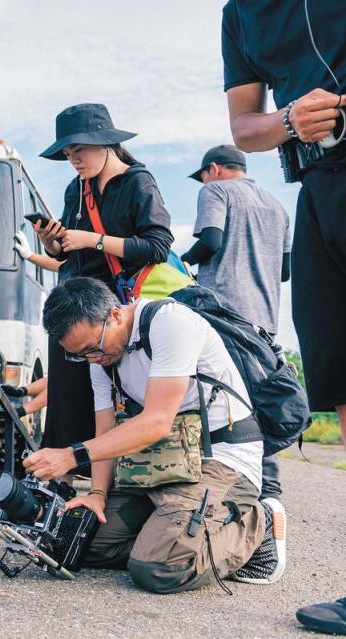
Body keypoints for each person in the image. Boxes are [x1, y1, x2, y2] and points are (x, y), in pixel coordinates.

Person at [24, 277, 285, 593]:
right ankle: (173, 537)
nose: (91, 359)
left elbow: (157, 422)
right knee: (82, 543)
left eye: (93, 348)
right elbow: (104, 431)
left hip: (219, 462)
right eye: (80, 355)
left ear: (116, 315)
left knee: (158, 569)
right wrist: (97, 495)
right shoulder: (101, 357)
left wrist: (69, 456)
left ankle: (259, 524)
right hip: (164, 465)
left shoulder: (170, 323)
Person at [220, 1, 346, 630]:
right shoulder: (239, 13)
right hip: (316, 186)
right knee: (341, 380)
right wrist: (291, 120)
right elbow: (245, 127)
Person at [34, 103, 174, 463]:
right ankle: (64, 471)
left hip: (112, 306)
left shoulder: (137, 181)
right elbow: (68, 251)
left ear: (104, 143)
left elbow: (157, 246)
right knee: (67, 391)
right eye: (67, 154)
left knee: (110, 395)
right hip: (72, 298)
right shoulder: (75, 189)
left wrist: (92, 239)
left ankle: (112, 474)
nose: (73, 160)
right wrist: (54, 243)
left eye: (78, 150)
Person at [181, 144, 291, 503]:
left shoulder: (215, 190)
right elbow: (285, 270)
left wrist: (181, 262)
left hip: (223, 314)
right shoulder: (277, 206)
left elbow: (211, 240)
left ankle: (224, 489)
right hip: (264, 318)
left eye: (203, 175)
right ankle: (269, 491)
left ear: (213, 169)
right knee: (256, 399)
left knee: (219, 399)